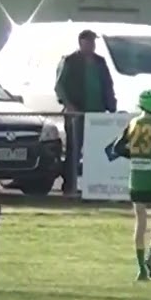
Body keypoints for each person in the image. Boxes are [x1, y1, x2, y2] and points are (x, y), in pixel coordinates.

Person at [105, 89, 151, 281]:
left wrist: (134, 155)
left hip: (136, 178)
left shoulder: (132, 123)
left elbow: (117, 148)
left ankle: (141, 268)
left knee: (140, 221)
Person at [54, 30, 117, 195]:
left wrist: (112, 106)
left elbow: (108, 85)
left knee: (96, 151)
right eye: (88, 41)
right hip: (77, 114)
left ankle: (92, 186)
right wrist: (69, 105)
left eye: (93, 42)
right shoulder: (69, 61)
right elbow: (59, 86)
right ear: (81, 42)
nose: (91, 45)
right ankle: (69, 186)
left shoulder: (100, 62)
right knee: (74, 150)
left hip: (98, 114)